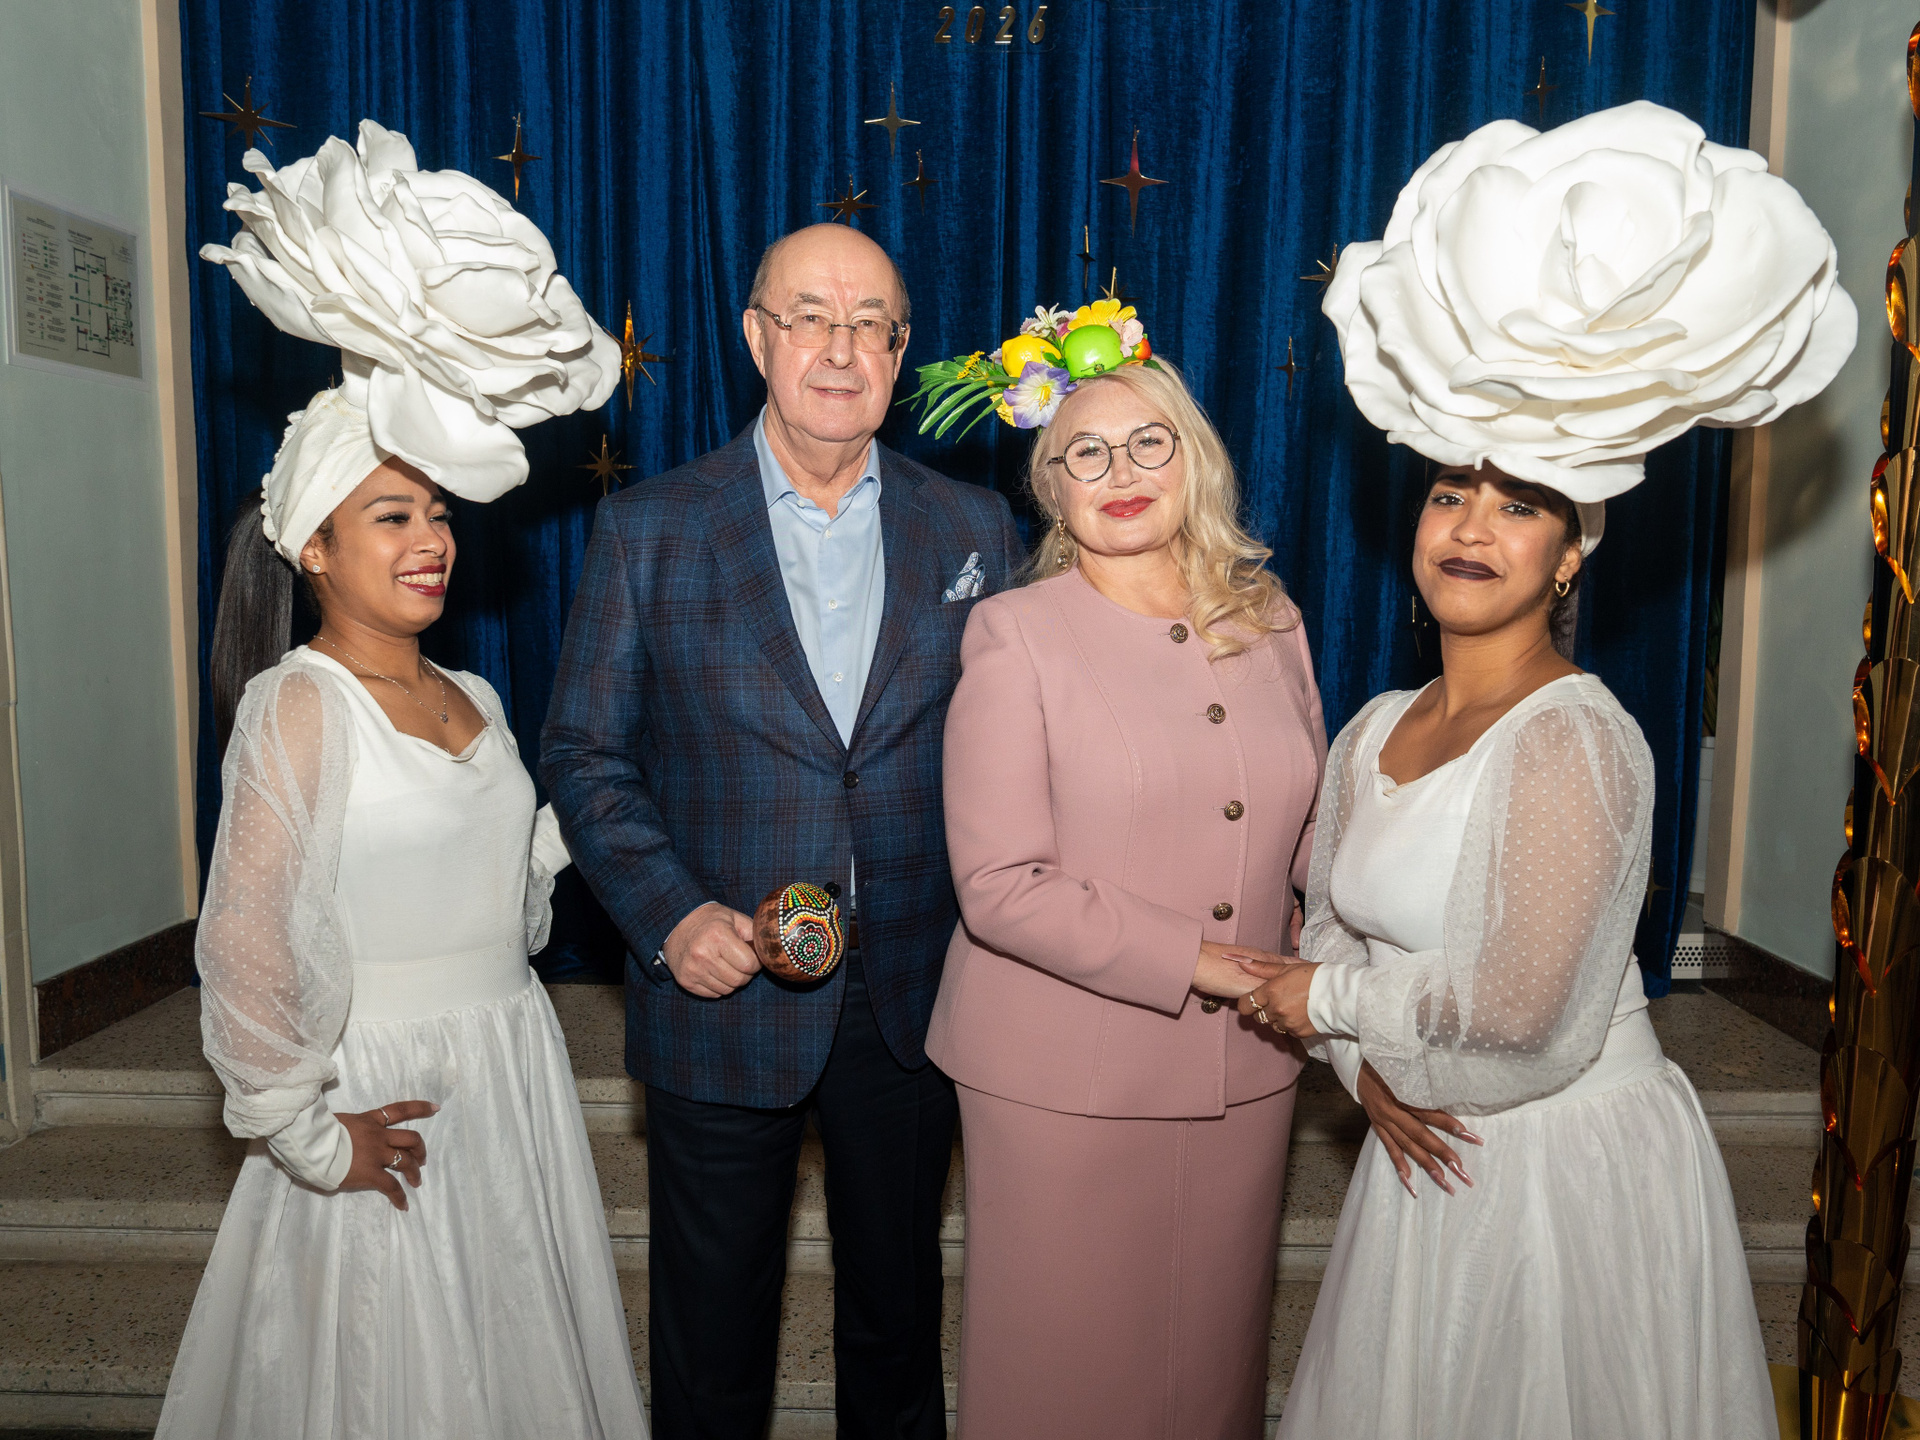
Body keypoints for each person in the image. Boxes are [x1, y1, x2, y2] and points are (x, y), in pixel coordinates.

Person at [1244, 101, 1857, 1438]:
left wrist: (1323, 1004)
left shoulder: (1577, 737)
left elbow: (1522, 1012)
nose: (1471, 527)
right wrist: (1363, 1073)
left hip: (1562, 1168)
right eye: (1450, 493)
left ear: (1571, 554)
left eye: (1519, 505)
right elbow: (1328, 920)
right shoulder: (1373, 726)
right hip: (1425, 1136)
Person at [159, 122, 644, 1438]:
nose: (431, 539)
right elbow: (246, 940)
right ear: (314, 547)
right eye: (392, 515)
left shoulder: (478, 697)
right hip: (389, 1087)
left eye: (439, 512)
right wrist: (310, 1137)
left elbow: (508, 909)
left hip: (510, 1067)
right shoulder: (297, 706)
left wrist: (593, 813)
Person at [541, 223, 1024, 1440]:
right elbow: (585, 756)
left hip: (912, 993)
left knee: (898, 1330)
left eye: (871, 324)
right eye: (810, 317)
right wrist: (669, 918)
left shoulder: (976, 528)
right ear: (757, 337)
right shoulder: (651, 528)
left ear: (901, 353)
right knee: (710, 1348)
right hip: (723, 990)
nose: (840, 348)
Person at [919, 303, 1323, 1436]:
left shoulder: (1270, 619)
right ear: (1051, 491)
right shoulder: (1016, 634)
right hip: (1063, 1079)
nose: (1123, 472)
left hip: (1249, 1065)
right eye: (1085, 454)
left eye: (1150, 441)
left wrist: (1332, 965)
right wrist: (1204, 960)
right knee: (1066, 1376)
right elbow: (999, 884)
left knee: (1211, 1374)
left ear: (1195, 458)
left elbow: (1306, 829)